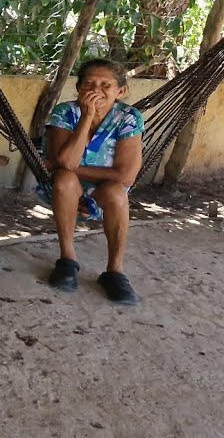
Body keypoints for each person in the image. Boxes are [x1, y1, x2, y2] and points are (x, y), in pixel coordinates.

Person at [41, 59, 144, 304]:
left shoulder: (128, 118)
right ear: (78, 88)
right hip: (65, 188)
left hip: (106, 191)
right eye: (89, 83)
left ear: (121, 91)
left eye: (105, 85)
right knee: (65, 179)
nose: (96, 90)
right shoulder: (65, 113)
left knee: (117, 192)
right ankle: (67, 260)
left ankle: (115, 272)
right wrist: (87, 116)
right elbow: (66, 163)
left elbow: (126, 176)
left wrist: (73, 167)